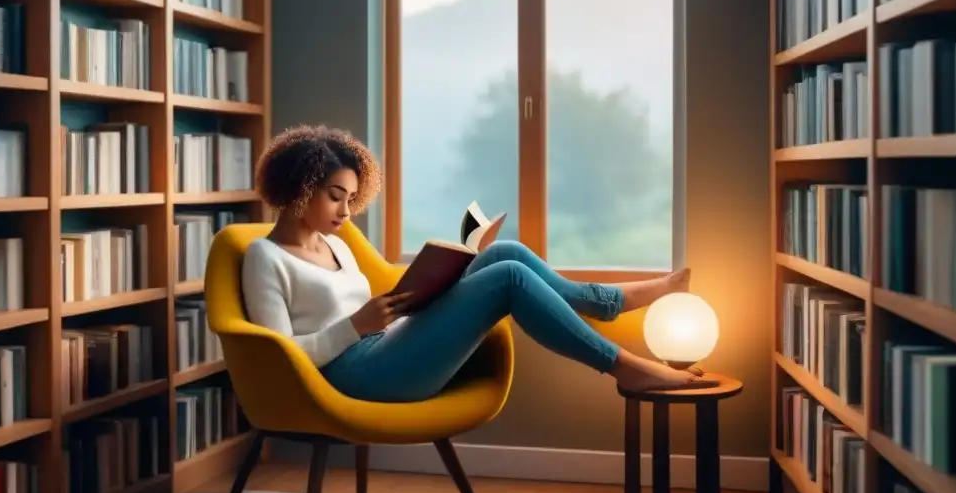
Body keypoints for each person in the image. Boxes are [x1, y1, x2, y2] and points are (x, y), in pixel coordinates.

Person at [240, 124, 718, 403]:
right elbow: (278, 356)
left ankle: (608, 301)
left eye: (350, 199)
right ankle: (625, 366)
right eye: (335, 198)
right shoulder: (265, 258)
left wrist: (431, 282)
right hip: (353, 376)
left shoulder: (338, 244)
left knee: (500, 253)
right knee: (507, 278)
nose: (347, 213)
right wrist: (356, 326)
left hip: (387, 345)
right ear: (299, 190)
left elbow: (371, 312)